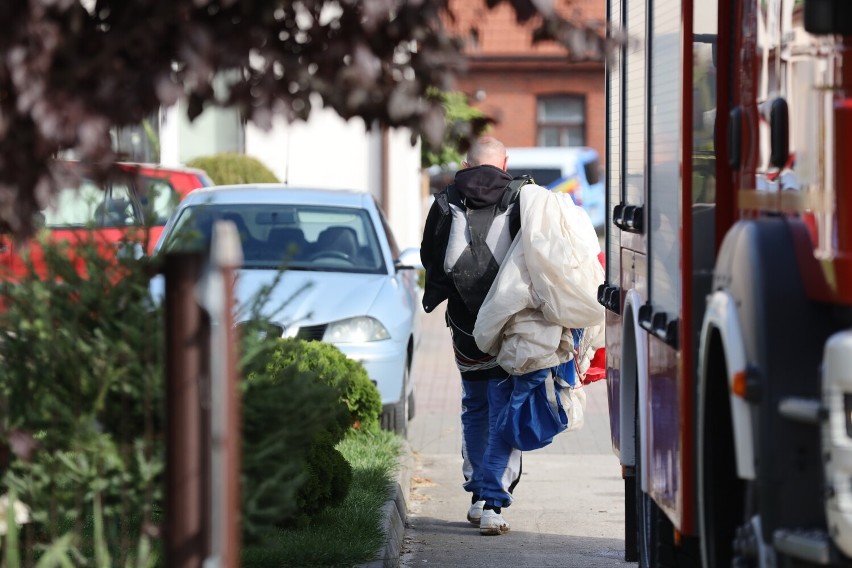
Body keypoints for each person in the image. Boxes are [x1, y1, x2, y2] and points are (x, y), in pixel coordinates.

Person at [420, 136, 524, 536]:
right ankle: (493, 502)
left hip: (464, 327)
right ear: (505, 161)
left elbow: (432, 256)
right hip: (508, 322)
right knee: (504, 404)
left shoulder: (446, 198)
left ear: (466, 163)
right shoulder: (521, 197)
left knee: (475, 405)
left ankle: (478, 496)